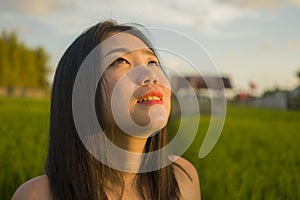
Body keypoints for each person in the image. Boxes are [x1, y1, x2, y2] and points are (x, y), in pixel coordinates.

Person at [12, 20, 201, 200]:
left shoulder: (183, 179)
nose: (150, 75)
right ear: (81, 92)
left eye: (152, 62)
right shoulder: (36, 196)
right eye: (120, 61)